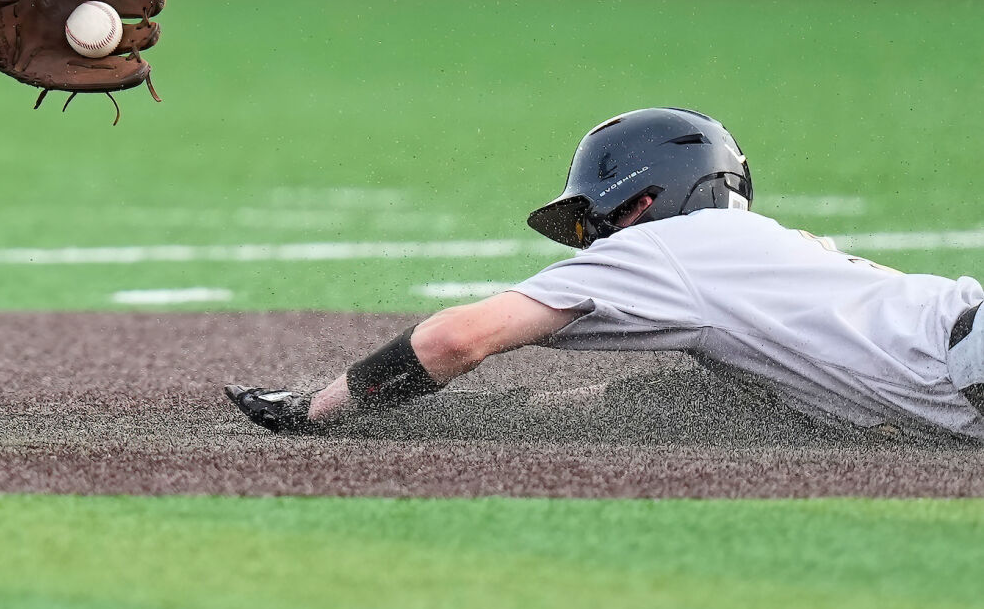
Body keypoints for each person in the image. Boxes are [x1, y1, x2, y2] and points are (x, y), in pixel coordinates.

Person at [226, 107, 984, 443]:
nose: (590, 239)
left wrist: (317, 409)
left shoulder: (665, 247)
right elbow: (674, 399)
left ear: (645, 199)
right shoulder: (757, 259)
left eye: (596, 218)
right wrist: (504, 419)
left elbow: (458, 338)